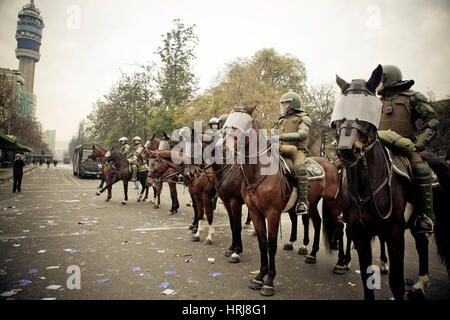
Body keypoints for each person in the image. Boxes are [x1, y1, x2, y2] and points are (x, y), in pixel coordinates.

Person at [377, 65, 439, 233]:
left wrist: (420, 143)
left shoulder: (412, 98)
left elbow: (432, 120)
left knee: (420, 168)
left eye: (379, 79)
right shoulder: (376, 102)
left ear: (387, 79)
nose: (377, 83)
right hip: (378, 145)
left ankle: (426, 216)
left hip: (406, 147)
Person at [273, 91, 311, 215]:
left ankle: (303, 202)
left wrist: (282, 137)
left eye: (287, 103)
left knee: (299, 168)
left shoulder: (303, 117)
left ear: (294, 104)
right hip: (280, 148)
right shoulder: (281, 119)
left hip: (297, 150)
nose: (284, 106)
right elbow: (274, 133)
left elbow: (303, 134)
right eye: (283, 103)